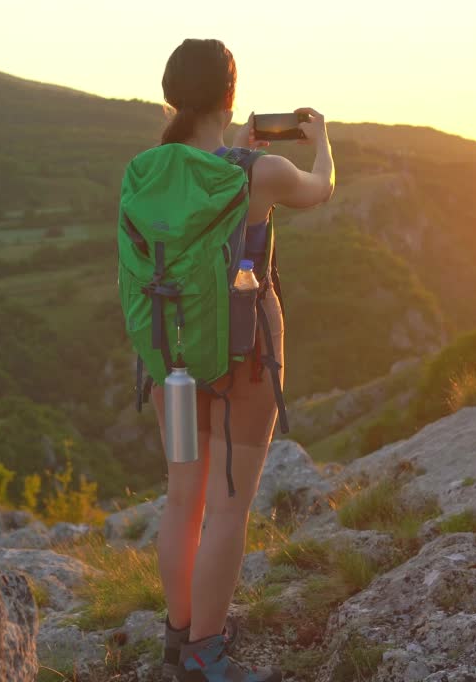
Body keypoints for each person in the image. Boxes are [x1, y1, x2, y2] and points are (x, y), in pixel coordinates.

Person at [150, 38, 334, 682]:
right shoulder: (255, 173)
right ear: (230, 96)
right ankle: (206, 656)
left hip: (169, 358)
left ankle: (177, 640)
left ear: (173, 94)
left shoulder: (151, 168)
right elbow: (319, 189)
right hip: (244, 353)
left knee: (181, 502)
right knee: (227, 506)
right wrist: (320, 138)